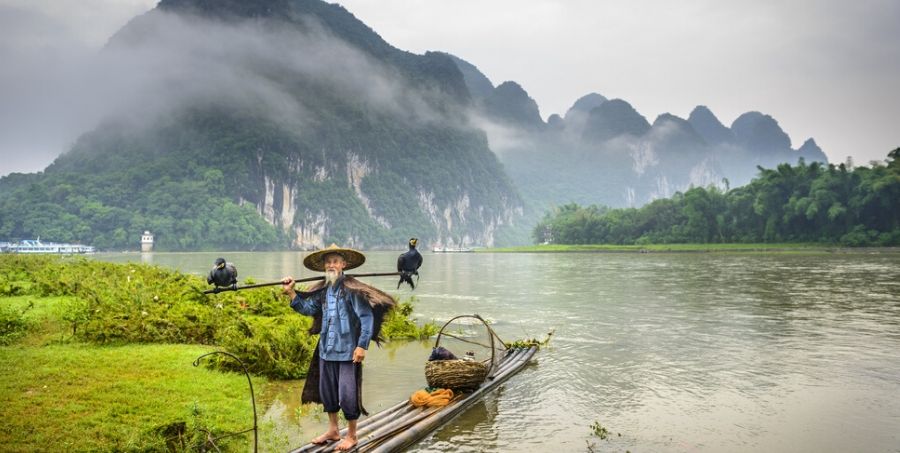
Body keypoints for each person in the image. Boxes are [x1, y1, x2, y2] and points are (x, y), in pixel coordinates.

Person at [282, 244, 395, 451]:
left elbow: (366, 317)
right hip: (326, 350)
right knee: (328, 393)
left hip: (348, 352)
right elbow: (307, 308)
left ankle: (352, 435)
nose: (331, 265)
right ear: (324, 266)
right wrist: (291, 294)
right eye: (328, 262)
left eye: (335, 261)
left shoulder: (351, 290)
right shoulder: (323, 291)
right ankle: (333, 430)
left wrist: (362, 346)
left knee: (347, 393)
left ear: (343, 265)